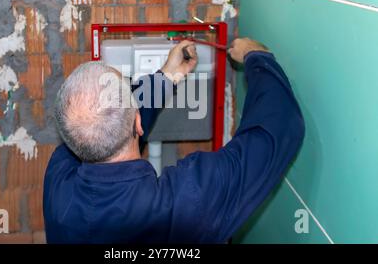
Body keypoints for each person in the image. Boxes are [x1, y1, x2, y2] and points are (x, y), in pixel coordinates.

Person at [43, 38, 305, 244]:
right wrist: (257, 56)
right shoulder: (185, 203)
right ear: (137, 122)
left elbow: (110, 123)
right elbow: (277, 126)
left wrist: (168, 77)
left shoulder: (58, 176)